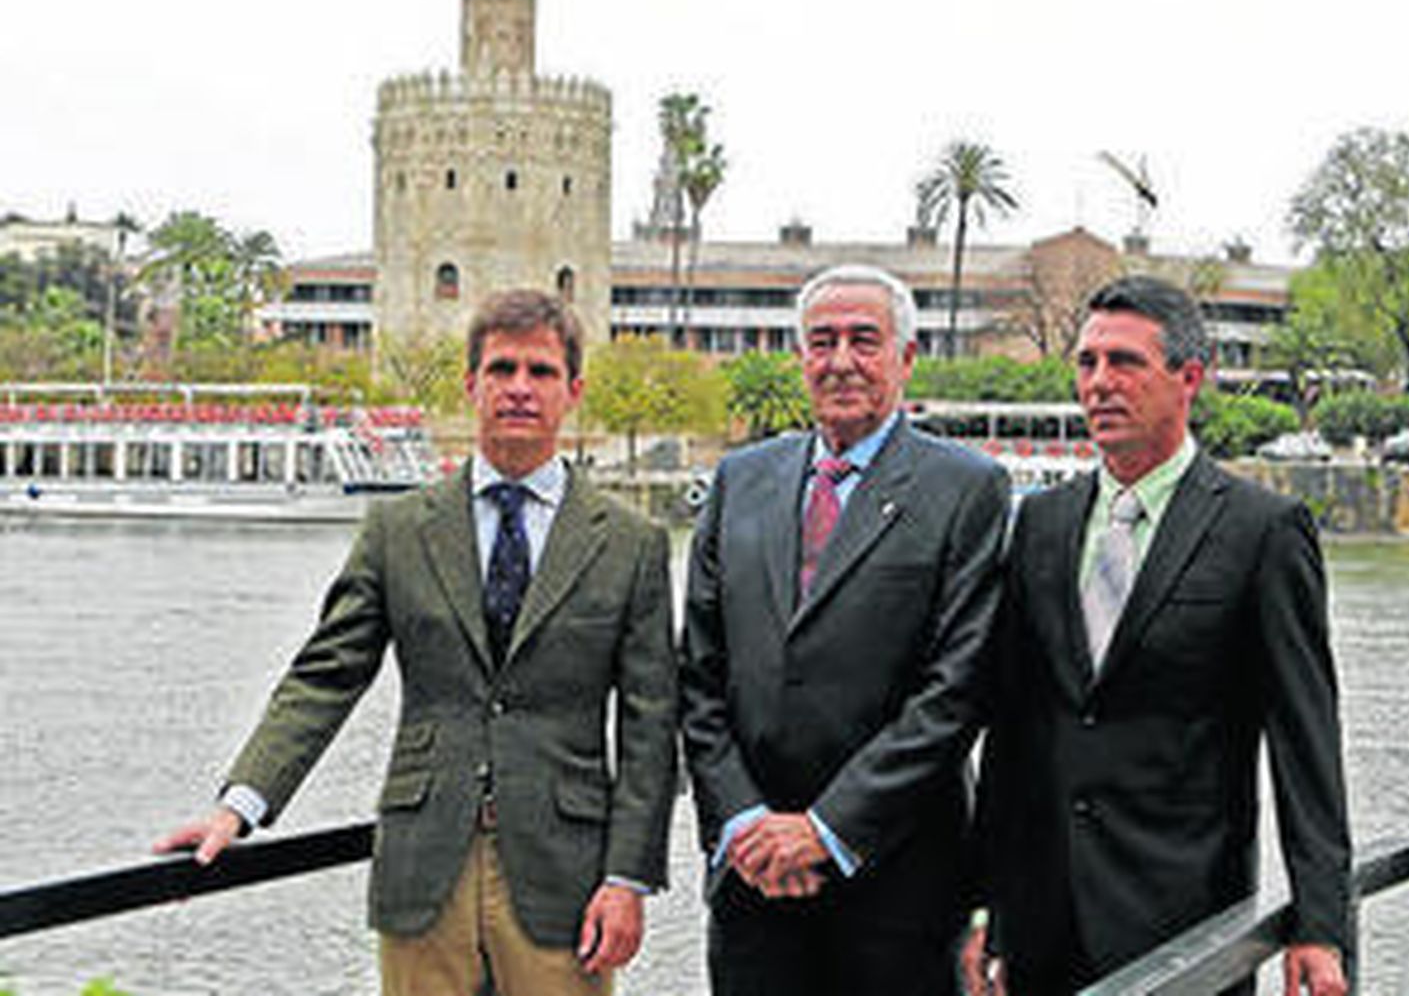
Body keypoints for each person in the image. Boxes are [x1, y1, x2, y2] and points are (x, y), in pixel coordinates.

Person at [156, 289, 677, 996]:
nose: (519, 388)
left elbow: (651, 725)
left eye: (541, 371)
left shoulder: (629, 543)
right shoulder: (399, 529)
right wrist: (239, 805)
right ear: (471, 385)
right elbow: (325, 675)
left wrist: (628, 876)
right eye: (501, 369)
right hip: (423, 862)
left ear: (573, 390)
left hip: (567, 875)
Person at [965, 276, 1351, 996]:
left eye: (1125, 362)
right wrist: (989, 904)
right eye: (1087, 363)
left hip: (1187, 931)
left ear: (1189, 378)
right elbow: (1015, 734)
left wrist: (1321, 925)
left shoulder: (1262, 531)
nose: (1099, 383)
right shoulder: (1041, 525)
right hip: (1044, 922)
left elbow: (1306, 746)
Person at [680, 264, 1010, 996]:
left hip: (899, 887)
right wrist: (742, 822)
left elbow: (956, 690)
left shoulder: (967, 489)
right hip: (752, 884)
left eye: (864, 340)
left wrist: (827, 827)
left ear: (907, 357)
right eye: (821, 341)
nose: (840, 361)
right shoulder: (740, 480)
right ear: (800, 356)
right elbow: (698, 676)